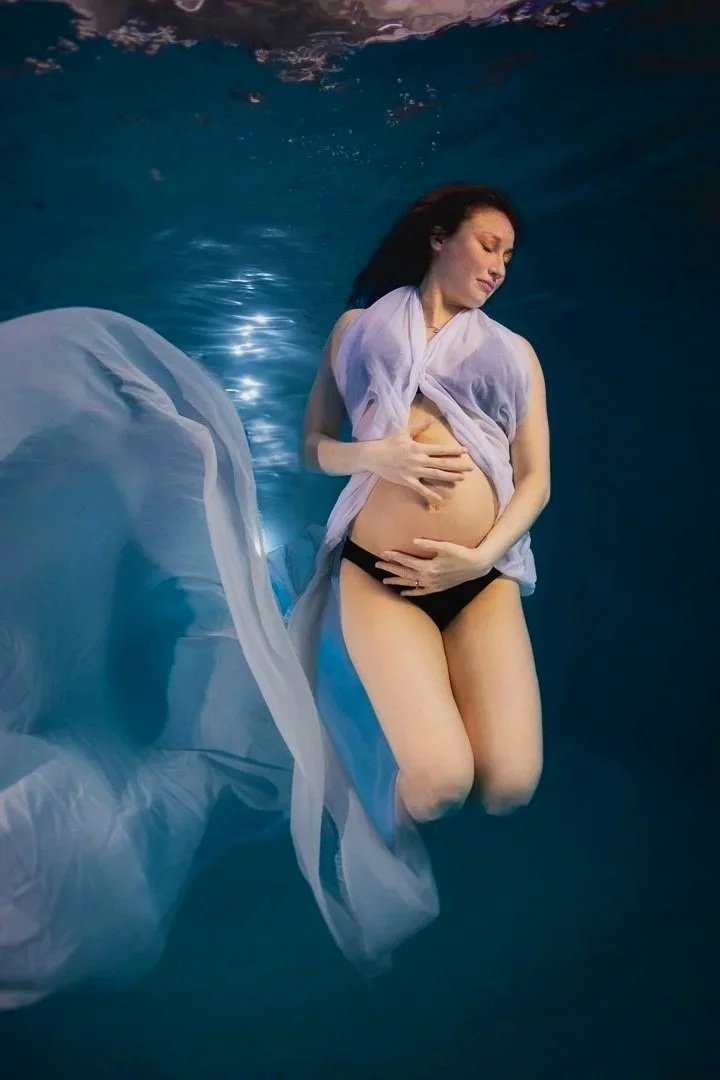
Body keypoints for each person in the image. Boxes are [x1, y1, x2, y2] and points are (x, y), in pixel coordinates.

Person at [299, 183, 550, 828]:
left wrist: (480, 559)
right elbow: (313, 448)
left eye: (508, 258)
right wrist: (374, 456)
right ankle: (373, 832)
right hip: (382, 575)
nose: (499, 268)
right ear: (439, 238)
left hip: (479, 578)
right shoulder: (356, 329)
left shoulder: (517, 352)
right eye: (488, 246)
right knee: (441, 785)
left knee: (509, 788)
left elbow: (536, 482)